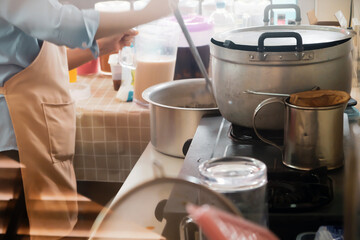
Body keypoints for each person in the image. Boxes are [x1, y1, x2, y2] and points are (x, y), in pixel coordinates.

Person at [0, 0, 174, 239]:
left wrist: (98, 46)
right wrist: (146, 12)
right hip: (13, 135)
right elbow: (61, 24)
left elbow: (34, 62)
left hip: (30, 131)